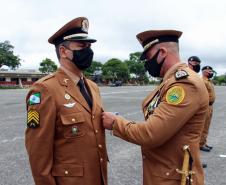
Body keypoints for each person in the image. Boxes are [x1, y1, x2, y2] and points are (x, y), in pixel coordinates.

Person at [102, 30, 208, 185]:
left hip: (175, 178)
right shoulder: (170, 80)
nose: (146, 63)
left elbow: (151, 134)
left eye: (148, 57)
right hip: (164, 172)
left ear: (163, 52)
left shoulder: (184, 84)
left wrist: (115, 123)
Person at [25, 17, 108, 185]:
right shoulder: (44, 90)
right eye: (82, 46)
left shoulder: (92, 87)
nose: (88, 51)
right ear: (63, 51)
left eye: (89, 46)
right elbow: (38, 154)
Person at [199, 66, 215, 152]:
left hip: (210, 106)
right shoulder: (202, 81)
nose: (211, 72)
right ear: (204, 72)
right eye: (209, 71)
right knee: (203, 126)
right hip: (205, 106)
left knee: (207, 126)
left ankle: (204, 142)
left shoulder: (208, 81)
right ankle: (200, 144)